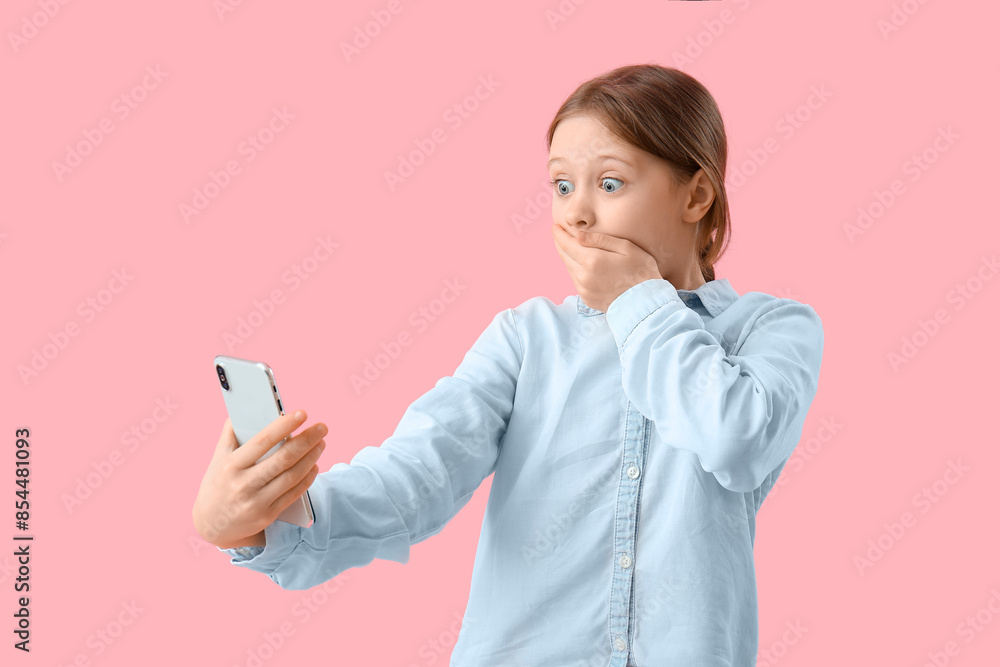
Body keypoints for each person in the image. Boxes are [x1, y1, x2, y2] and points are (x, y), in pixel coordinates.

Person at [192, 63, 825, 666]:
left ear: (697, 196)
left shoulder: (771, 330)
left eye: (610, 184)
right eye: (560, 185)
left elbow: (736, 438)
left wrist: (637, 301)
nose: (577, 212)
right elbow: (414, 478)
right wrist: (258, 523)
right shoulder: (526, 339)